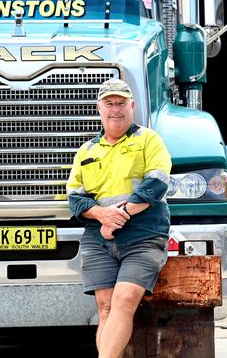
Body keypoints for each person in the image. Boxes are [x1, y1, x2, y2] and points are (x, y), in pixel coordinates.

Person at [66, 78, 172, 358]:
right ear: (99, 109)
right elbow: (75, 200)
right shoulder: (86, 151)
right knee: (106, 308)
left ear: (132, 106)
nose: (116, 109)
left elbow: (157, 184)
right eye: (109, 104)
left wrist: (119, 216)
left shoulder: (148, 139)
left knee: (124, 299)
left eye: (121, 103)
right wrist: (103, 215)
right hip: (99, 238)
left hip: (144, 235)